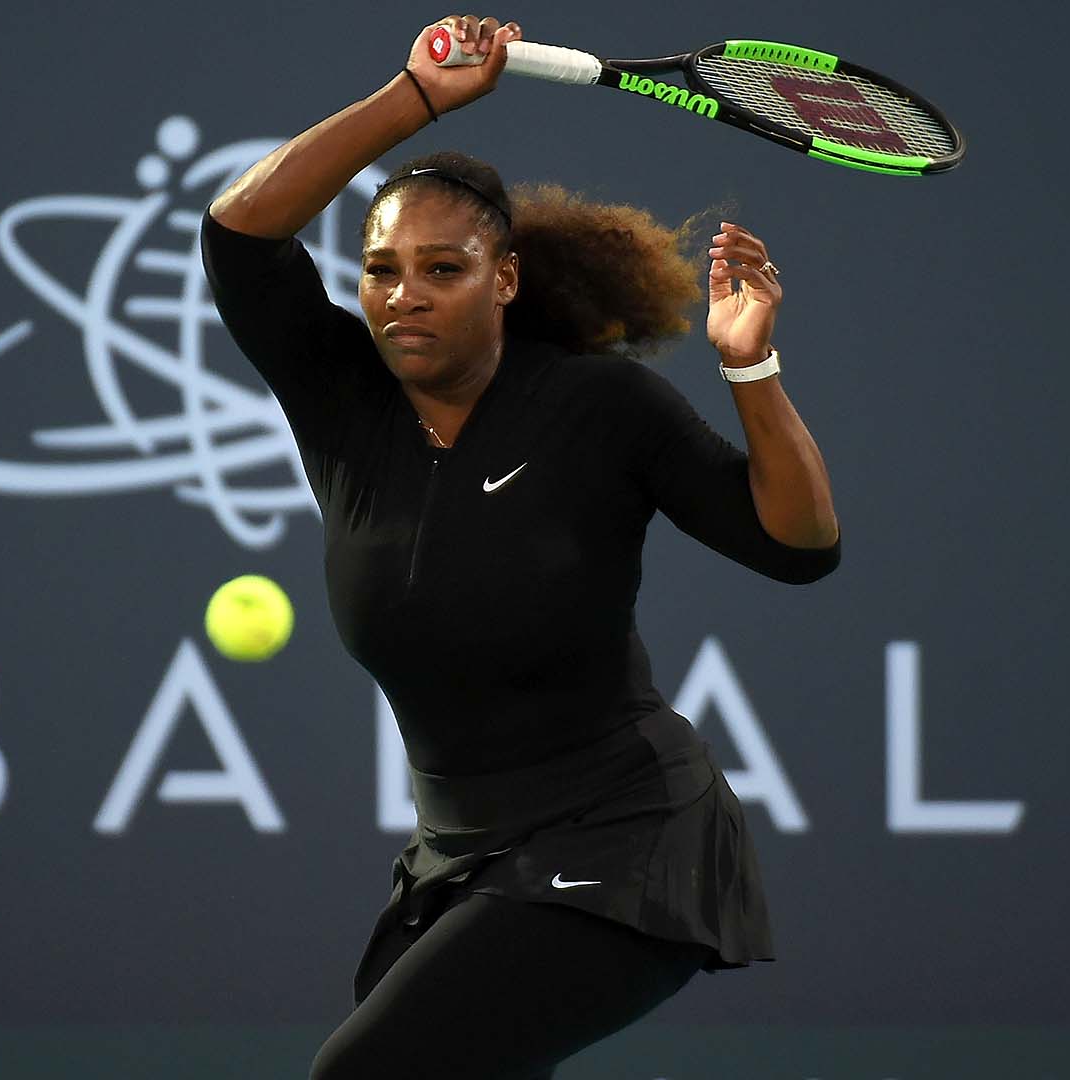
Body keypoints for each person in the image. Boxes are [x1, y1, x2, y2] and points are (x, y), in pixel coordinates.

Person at [201, 14, 840, 1079]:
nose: (403, 295)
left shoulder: (598, 407)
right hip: (460, 850)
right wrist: (415, 96)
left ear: (502, 280)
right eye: (381, 269)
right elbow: (237, 234)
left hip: (626, 831)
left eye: (441, 269)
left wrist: (751, 373)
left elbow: (797, 545)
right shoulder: (340, 396)